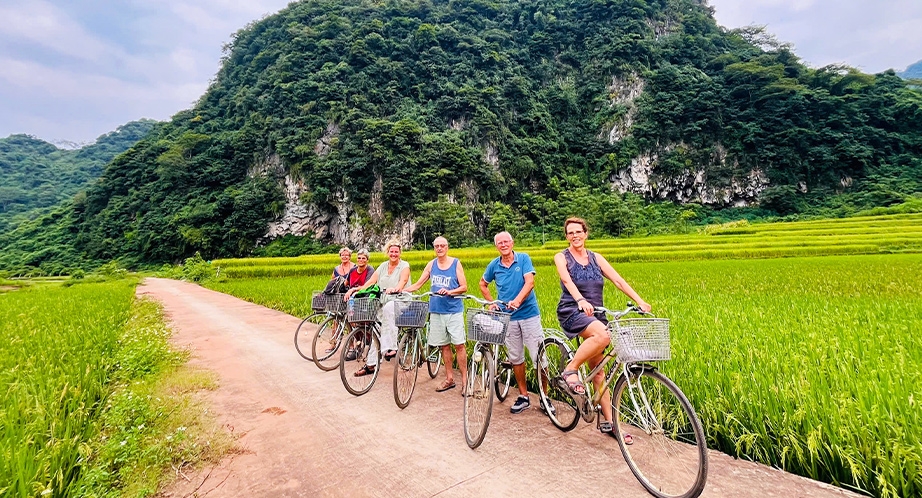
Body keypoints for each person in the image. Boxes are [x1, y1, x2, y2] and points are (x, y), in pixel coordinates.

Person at [555, 217, 650, 441]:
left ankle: (610, 424)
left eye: (579, 232)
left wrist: (640, 301)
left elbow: (618, 280)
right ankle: (571, 370)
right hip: (572, 310)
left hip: (597, 313)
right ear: (566, 236)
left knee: (599, 372)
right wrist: (579, 299)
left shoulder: (597, 259)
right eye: (570, 233)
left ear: (586, 234)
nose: (575, 236)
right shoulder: (562, 257)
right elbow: (567, 281)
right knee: (603, 334)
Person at [479, 231, 552, 414]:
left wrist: (518, 300)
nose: (503, 245)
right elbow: (482, 283)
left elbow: (530, 283)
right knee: (516, 357)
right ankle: (523, 396)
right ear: (496, 246)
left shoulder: (523, 259)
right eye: (499, 243)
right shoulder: (494, 265)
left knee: (539, 356)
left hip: (528, 314)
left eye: (506, 241)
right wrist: (491, 303)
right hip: (508, 317)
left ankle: (545, 396)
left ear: (512, 243)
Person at [404, 236, 468, 393]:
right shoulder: (431, 264)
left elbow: (464, 286)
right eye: (437, 246)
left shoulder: (455, 263)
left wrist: (450, 292)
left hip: (453, 310)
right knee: (444, 346)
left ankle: (466, 382)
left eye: (442, 245)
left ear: (447, 247)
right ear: (434, 248)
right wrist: (401, 290)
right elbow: (419, 284)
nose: (440, 248)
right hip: (436, 310)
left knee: (459, 344)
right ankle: (449, 379)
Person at [345, 242, 411, 376]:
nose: (393, 254)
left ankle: (391, 347)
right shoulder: (382, 267)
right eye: (391, 251)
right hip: (384, 302)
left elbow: (403, 281)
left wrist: (396, 289)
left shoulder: (404, 266)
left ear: (400, 253)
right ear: (387, 252)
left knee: (388, 309)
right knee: (377, 330)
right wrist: (355, 290)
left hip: (400, 301)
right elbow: (370, 282)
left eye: (396, 252)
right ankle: (370, 365)